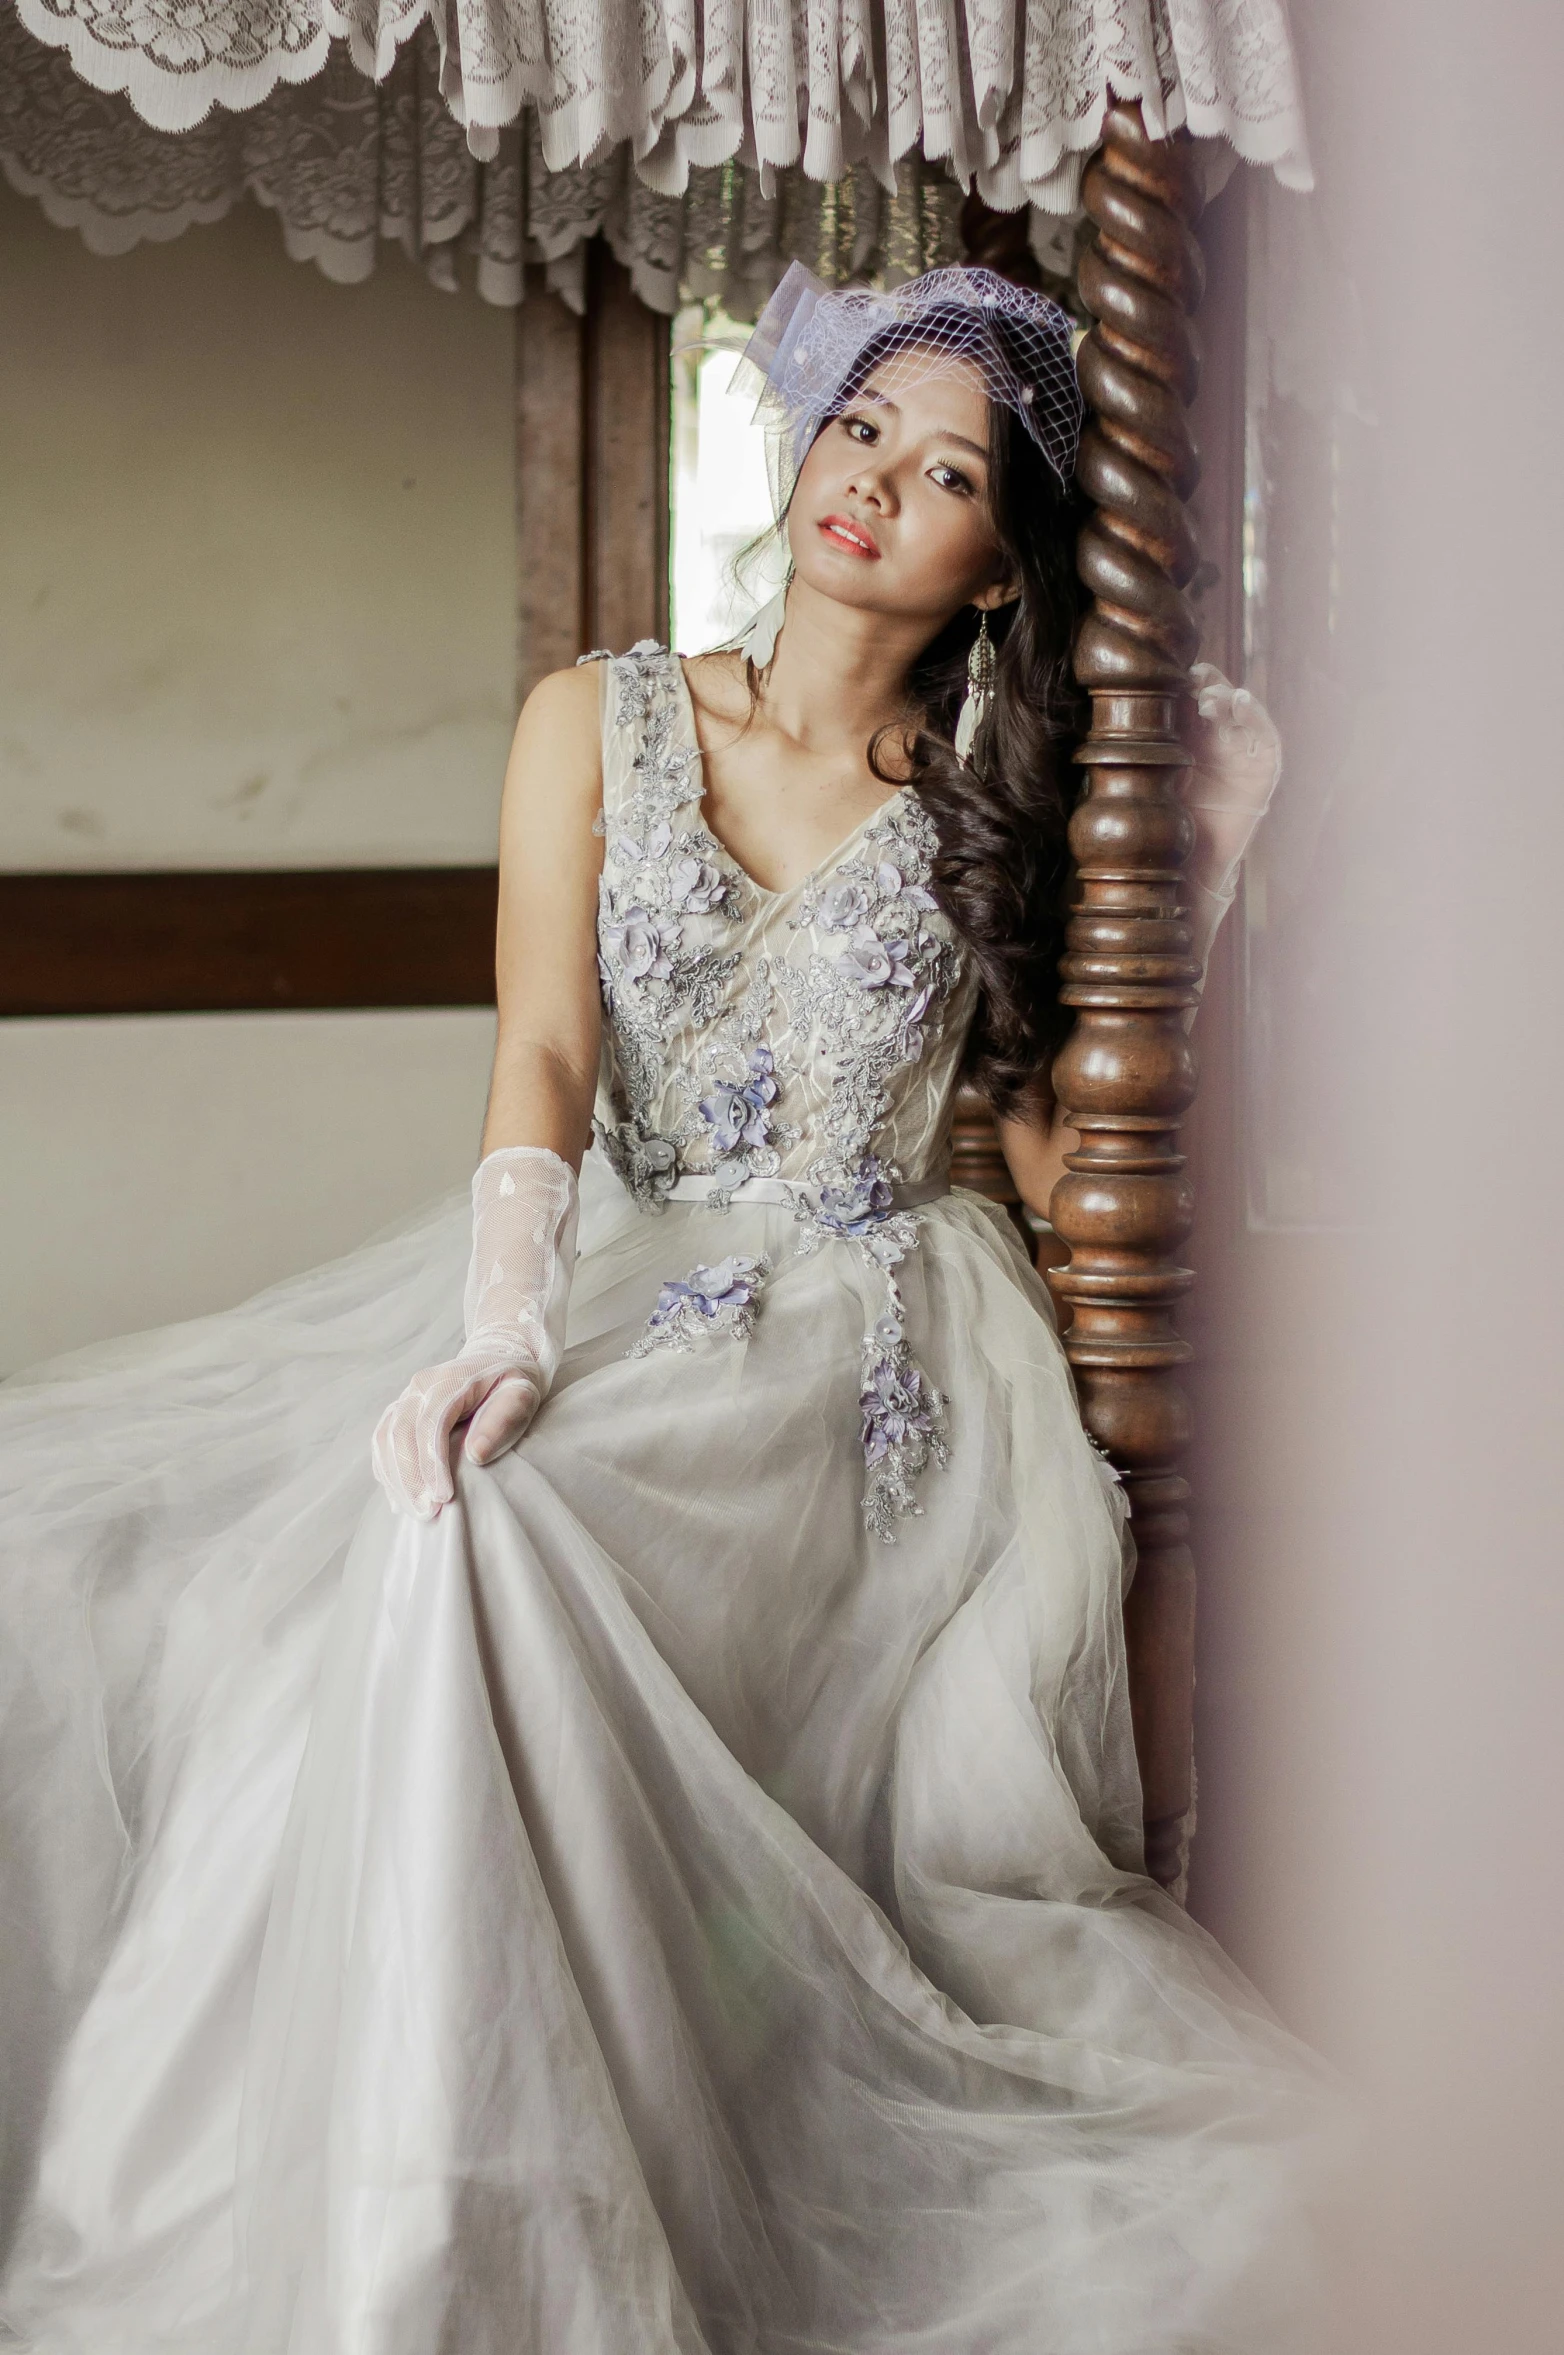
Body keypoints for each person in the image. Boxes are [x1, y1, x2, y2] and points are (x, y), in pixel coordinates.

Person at [0, 265, 1332, 2355]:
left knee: (498, 1538)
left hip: (872, 1367)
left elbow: (1072, 1176)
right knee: (337, 1509)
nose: (875, 483)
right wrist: (509, 1315)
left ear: (1004, 572)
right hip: (611, 1278)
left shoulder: (1002, 813)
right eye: (857, 428)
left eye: (950, 470)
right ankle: (422, 2228)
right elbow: (537, 1048)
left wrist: (1206, 887)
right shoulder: (590, 715)